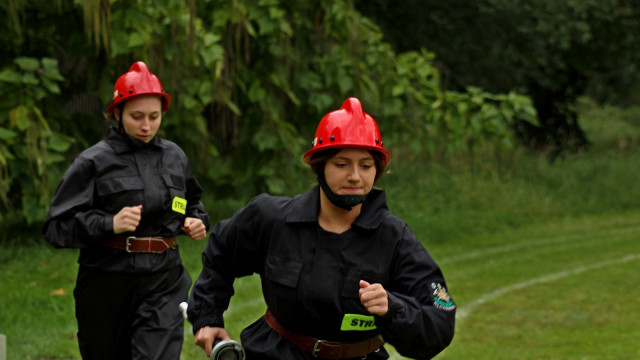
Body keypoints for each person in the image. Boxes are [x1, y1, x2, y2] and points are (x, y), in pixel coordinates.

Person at [187, 97, 455, 359]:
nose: (354, 176)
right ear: (320, 166)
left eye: (365, 165)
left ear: (377, 170)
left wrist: (393, 308)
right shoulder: (271, 217)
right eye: (341, 164)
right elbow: (221, 254)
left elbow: (439, 324)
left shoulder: (395, 238)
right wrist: (207, 317)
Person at [42, 61, 210, 360]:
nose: (146, 126)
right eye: (137, 117)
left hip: (164, 281)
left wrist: (197, 220)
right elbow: (57, 227)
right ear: (116, 113)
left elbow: (193, 202)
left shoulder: (174, 157)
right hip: (106, 284)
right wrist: (109, 223)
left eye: (154, 117)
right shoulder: (92, 161)